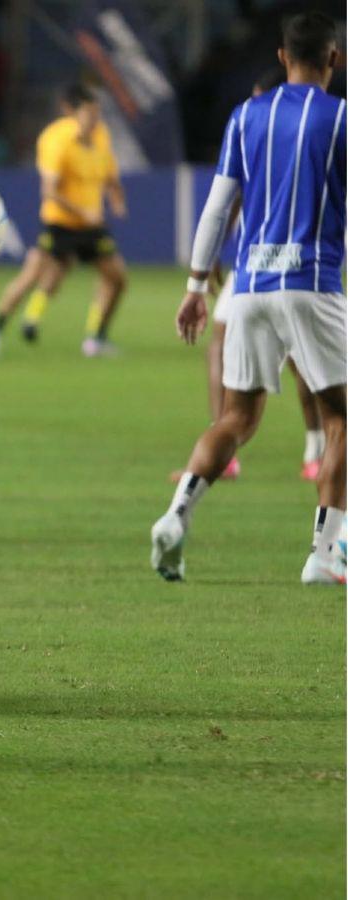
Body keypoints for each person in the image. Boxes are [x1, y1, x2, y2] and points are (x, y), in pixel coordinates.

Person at [151, 12, 346, 585]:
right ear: (334, 59)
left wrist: (193, 288)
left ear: (283, 58)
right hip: (312, 280)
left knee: (236, 417)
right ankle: (326, 552)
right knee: (340, 420)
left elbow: (217, 207)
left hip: (250, 285)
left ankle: (175, 517)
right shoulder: (338, 122)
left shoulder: (245, 117)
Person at [183, 66, 324, 484]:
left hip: (267, 264)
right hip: (278, 266)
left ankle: (305, 449)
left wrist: (201, 269)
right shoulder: (306, 131)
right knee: (231, 347)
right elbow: (235, 204)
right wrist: (210, 260)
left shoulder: (254, 125)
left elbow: (224, 202)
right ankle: (311, 452)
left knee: (297, 362)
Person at [0, 83, 127, 358]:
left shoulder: (101, 136)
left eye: (97, 114)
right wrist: (82, 212)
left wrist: (116, 198)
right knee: (34, 275)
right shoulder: (56, 139)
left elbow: (109, 174)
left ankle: (95, 338)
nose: (95, 120)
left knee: (116, 278)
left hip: (91, 227)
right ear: (72, 113)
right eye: (89, 114)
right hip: (61, 224)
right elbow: (49, 191)